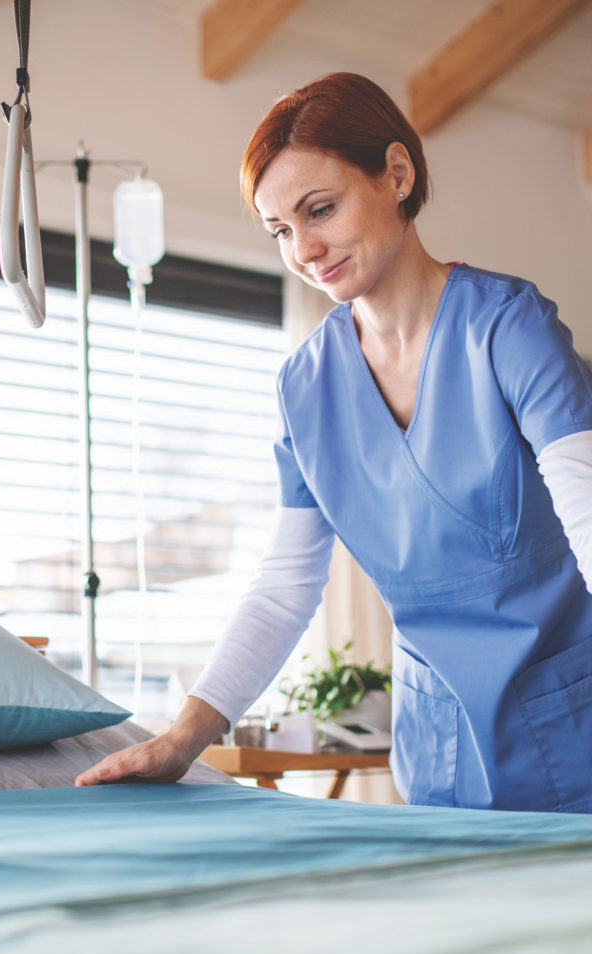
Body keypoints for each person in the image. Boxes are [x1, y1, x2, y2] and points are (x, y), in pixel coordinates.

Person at [76, 72, 592, 813]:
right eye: (281, 230)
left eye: (320, 209)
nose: (306, 249)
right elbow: (286, 587)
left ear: (397, 173)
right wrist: (182, 737)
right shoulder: (305, 388)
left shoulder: (507, 329)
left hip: (571, 725)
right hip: (436, 740)